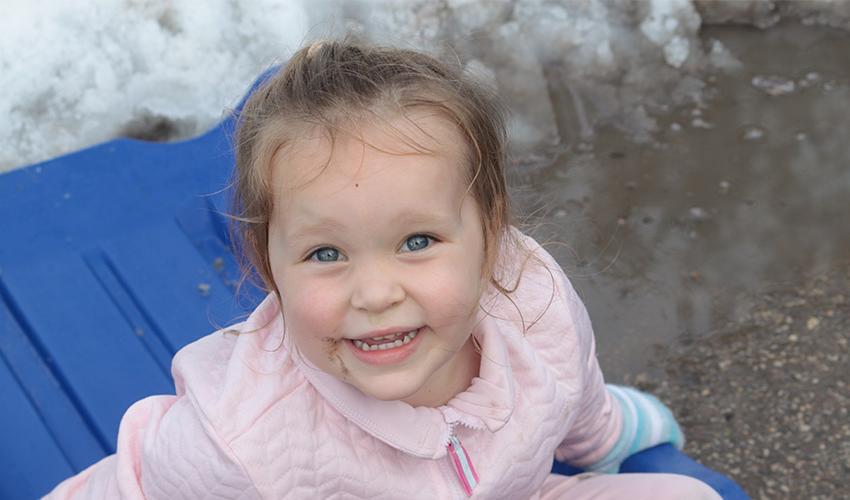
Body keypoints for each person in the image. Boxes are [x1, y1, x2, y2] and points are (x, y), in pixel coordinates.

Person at [46, 39, 720, 499]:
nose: (374, 293)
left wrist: (613, 435)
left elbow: (575, 394)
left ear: (490, 236)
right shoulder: (245, 434)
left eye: (418, 240)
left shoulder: (533, 299)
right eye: (326, 254)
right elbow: (136, 481)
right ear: (270, 267)